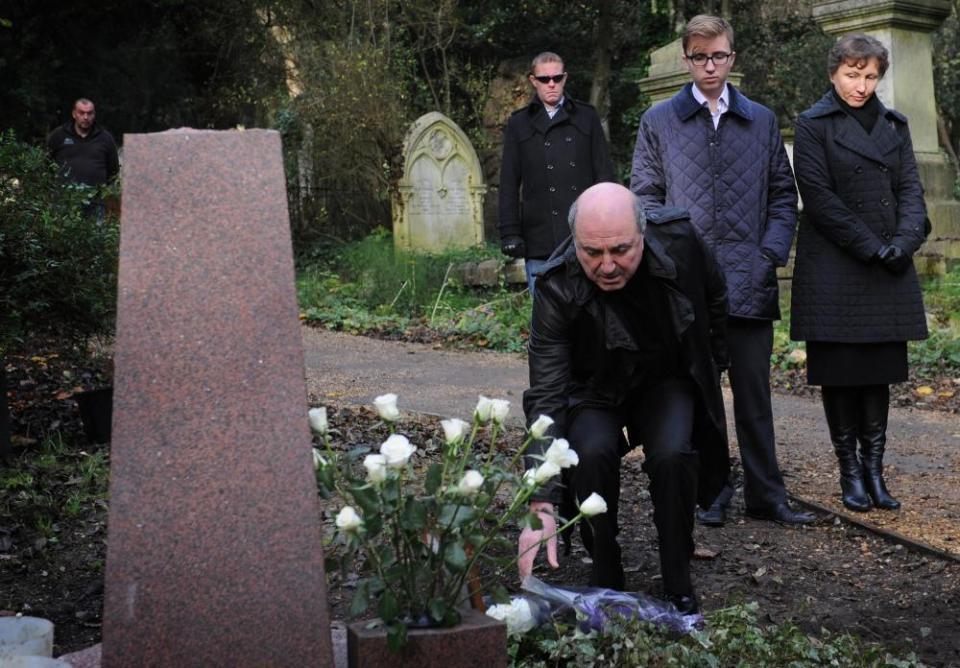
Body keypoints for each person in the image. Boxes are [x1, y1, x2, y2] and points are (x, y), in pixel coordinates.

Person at [629, 14, 813, 526]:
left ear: (733, 57)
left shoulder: (761, 120)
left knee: (755, 398)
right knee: (695, 397)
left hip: (749, 281)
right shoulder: (659, 122)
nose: (710, 66)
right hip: (686, 289)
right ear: (687, 59)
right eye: (700, 57)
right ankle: (710, 493)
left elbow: (782, 193)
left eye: (719, 56)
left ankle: (767, 494)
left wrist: (769, 254)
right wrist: (671, 267)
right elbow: (644, 199)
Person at [518, 182, 730, 614]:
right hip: (592, 387)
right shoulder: (556, 287)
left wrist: (715, 362)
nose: (608, 265)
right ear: (575, 242)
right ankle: (605, 572)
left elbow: (716, 296)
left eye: (620, 250)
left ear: (643, 233)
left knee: (672, 454)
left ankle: (677, 578)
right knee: (591, 454)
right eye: (592, 253)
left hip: (664, 376)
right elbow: (547, 393)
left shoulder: (681, 242)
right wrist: (541, 499)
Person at [791, 34, 928, 512]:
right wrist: (874, 248)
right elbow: (820, 199)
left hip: (888, 262)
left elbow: (911, 186)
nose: (862, 86)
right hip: (836, 267)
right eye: (853, 74)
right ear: (833, 73)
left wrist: (906, 242)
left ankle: (874, 470)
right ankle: (849, 472)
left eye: (870, 76)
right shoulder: (813, 124)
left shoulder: (894, 125)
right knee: (842, 373)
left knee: (878, 373)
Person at [499, 52, 614, 296]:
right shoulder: (519, 124)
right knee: (544, 318)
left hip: (586, 235)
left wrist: (613, 222)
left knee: (592, 310)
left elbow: (604, 174)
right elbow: (509, 182)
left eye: (556, 77)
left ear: (565, 78)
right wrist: (510, 232)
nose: (551, 84)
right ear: (533, 81)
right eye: (544, 79)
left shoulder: (586, 116)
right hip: (540, 237)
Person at [47, 98, 119, 188]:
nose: (86, 117)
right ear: (74, 114)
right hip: (64, 198)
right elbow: (45, 164)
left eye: (89, 113)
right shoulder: (59, 135)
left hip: (97, 198)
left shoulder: (105, 138)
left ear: (94, 114)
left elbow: (113, 170)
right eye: (81, 113)